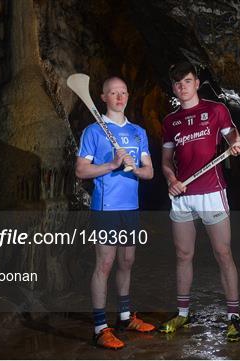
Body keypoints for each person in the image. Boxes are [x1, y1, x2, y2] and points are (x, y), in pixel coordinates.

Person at [159, 61, 240, 342]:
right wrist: (171, 180)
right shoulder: (170, 122)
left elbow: (231, 134)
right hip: (182, 197)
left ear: (196, 83)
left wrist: (236, 141)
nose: (182, 87)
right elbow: (166, 161)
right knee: (183, 255)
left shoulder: (215, 110)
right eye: (177, 83)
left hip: (211, 192)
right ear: (174, 88)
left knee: (223, 253)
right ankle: (183, 313)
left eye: (187, 81)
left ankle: (233, 316)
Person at [76, 76, 155, 350]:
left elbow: (150, 172)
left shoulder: (138, 132)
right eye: (113, 93)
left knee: (127, 261)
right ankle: (100, 327)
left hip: (130, 208)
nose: (119, 97)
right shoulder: (93, 131)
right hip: (105, 207)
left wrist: (134, 169)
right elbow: (80, 170)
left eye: (123, 92)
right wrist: (111, 164)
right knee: (105, 264)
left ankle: (124, 317)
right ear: (103, 97)